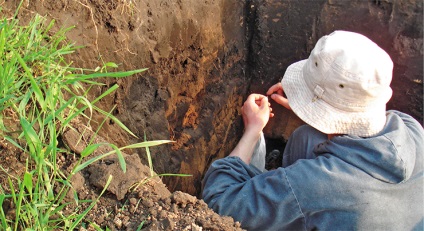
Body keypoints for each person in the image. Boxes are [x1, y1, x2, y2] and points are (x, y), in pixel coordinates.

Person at [202, 30, 423, 230]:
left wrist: (253, 129)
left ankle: (276, 209)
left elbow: (219, 201)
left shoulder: (315, 184)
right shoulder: (410, 128)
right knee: (306, 138)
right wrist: (308, 107)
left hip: (326, 193)